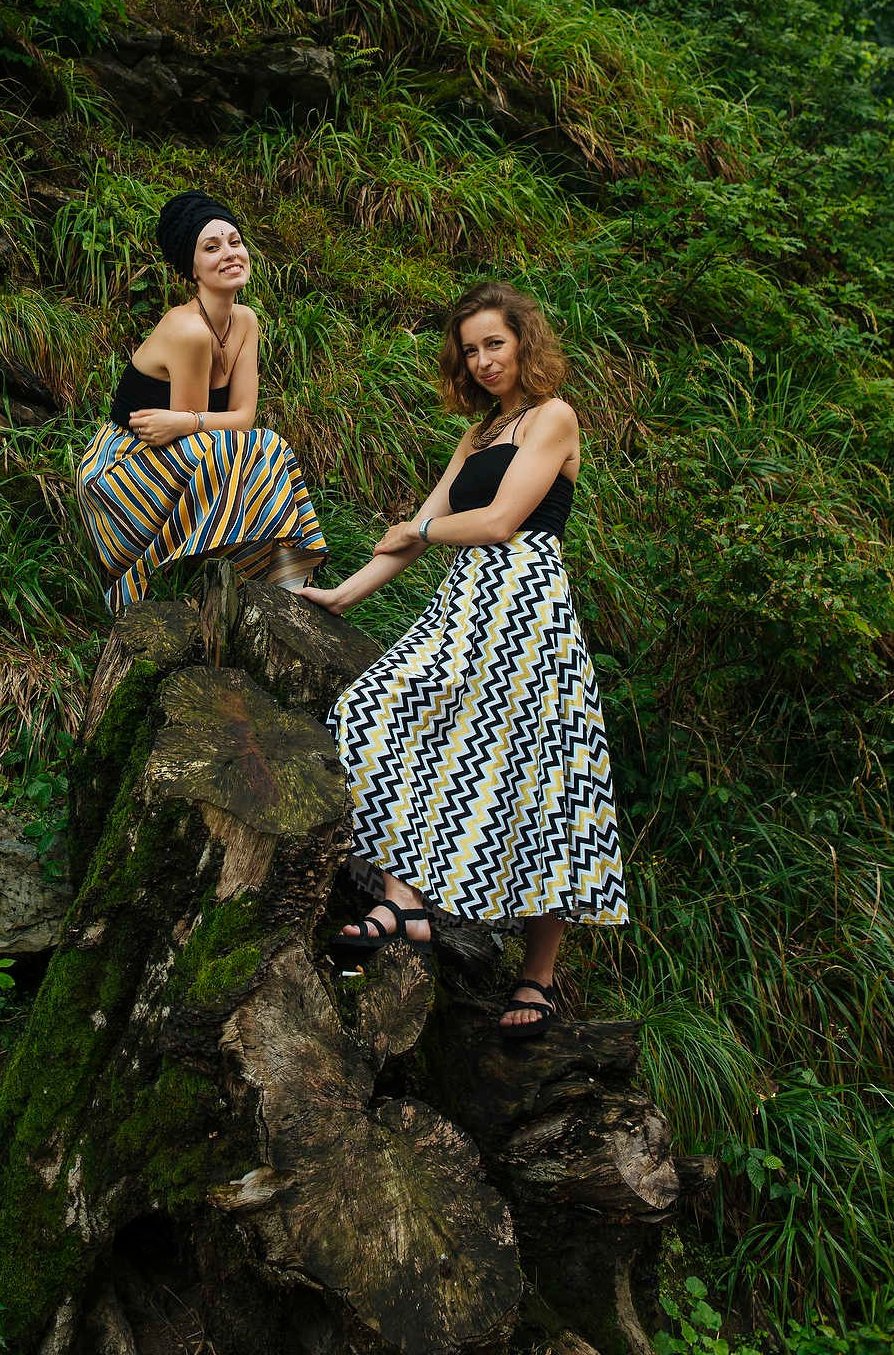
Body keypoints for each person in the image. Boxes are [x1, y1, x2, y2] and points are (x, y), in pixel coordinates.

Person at [302, 280, 627, 1040]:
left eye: (495, 343)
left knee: (546, 782)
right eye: (470, 349)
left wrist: (418, 531)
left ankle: (537, 975)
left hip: (527, 604)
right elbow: (422, 523)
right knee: (375, 709)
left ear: (523, 343)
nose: (483, 360)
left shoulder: (553, 417)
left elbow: (499, 520)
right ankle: (403, 902)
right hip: (468, 599)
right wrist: (344, 594)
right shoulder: (479, 435)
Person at [77, 192, 327, 614]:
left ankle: (279, 590)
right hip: (124, 474)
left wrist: (189, 421)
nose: (229, 253)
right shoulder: (189, 332)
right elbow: (199, 445)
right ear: (191, 268)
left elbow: (242, 417)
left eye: (235, 241)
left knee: (267, 446)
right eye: (212, 247)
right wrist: (194, 425)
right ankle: (173, 580)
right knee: (248, 448)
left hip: (178, 457)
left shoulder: (245, 321)